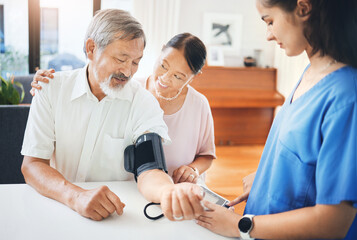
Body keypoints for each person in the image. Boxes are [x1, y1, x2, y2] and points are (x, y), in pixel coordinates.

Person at [21, 9, 204, 222]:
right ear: (91, 49)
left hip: (115, 217)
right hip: (56, 208)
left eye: (136, 62)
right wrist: (75, 196)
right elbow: (32, 165)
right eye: (121, 59)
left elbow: (150, 168)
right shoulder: (51, 89)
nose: (127, 72)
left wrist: (168, 192)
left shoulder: (144, 103)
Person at [195, 0, 357, 239]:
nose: (269, 35)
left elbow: (333, 221)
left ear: (303, 8)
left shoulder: (346, 95)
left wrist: (240, 225)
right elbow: (303, 158)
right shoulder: (311, 72)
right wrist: (266, 178)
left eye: (270, 21)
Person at [31, 33, 216, 185]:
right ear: (160, 51)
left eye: (178, 76)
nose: (165, 78)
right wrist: (50, 84)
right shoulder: (128, 88)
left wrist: (192, 170)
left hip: (180, 188)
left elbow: (207, 155)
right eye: (163, 65)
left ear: (194, 76)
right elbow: (94, 79)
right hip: (135, 188)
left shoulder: (199, 105)